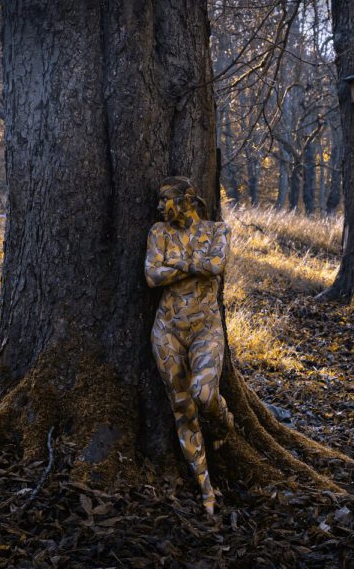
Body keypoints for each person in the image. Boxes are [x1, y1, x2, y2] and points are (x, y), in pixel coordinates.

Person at [145, 176, 233, 514]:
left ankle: (226, 421)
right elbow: (151, 275)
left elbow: (218, 265)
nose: (158, 207)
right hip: (166, 331)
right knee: (182, 406)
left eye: (164, 200)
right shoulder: (158, 232)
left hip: (205, 329)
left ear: (187, 200)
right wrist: (191, 266)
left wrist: (174, 264)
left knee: (205, 394)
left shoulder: (217, 231)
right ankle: (205, 488)